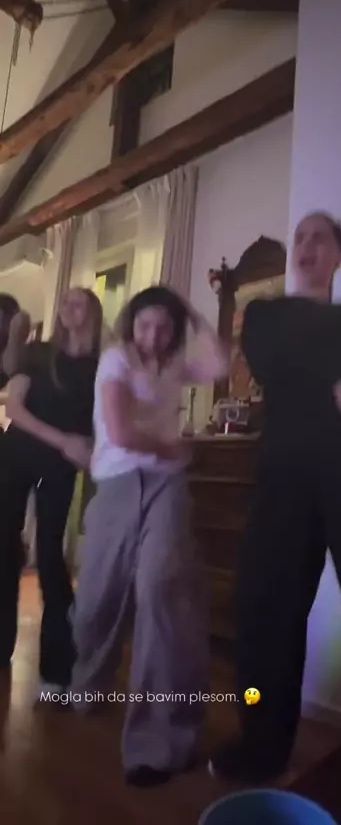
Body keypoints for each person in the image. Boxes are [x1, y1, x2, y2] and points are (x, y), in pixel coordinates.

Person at [209, 214, 341, 783]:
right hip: (285, 475)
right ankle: (260, 741)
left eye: (320, 238)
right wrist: (339, 389)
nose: (306, 245)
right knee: (263, 616)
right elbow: (274, 360)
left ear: (335, 257)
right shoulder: (264, 314)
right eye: (299, 237)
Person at [70, 285, 228, 788]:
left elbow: (221, 365)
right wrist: (171, 448)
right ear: (130, 324)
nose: (153, 337)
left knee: (162, 589)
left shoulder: (176, 361)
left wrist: (192, 311)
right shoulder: (116, 359)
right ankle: (87, 681)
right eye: (144, 325)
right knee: (95, 604)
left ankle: (159, 744)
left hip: (166, 486)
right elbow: (119, 431)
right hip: (118, 483)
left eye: (164, 327)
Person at [0, 288, 103, 692]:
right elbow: (14, 409)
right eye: (65, 301)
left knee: (49, 557)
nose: (68, 307)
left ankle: (56, 667)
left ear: (93, 311)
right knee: (3, 548)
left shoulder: (102, 365)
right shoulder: (40, 353)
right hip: (14, 457)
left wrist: (89, 451)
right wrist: (64, 441)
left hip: (58, 470)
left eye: (79, 301)